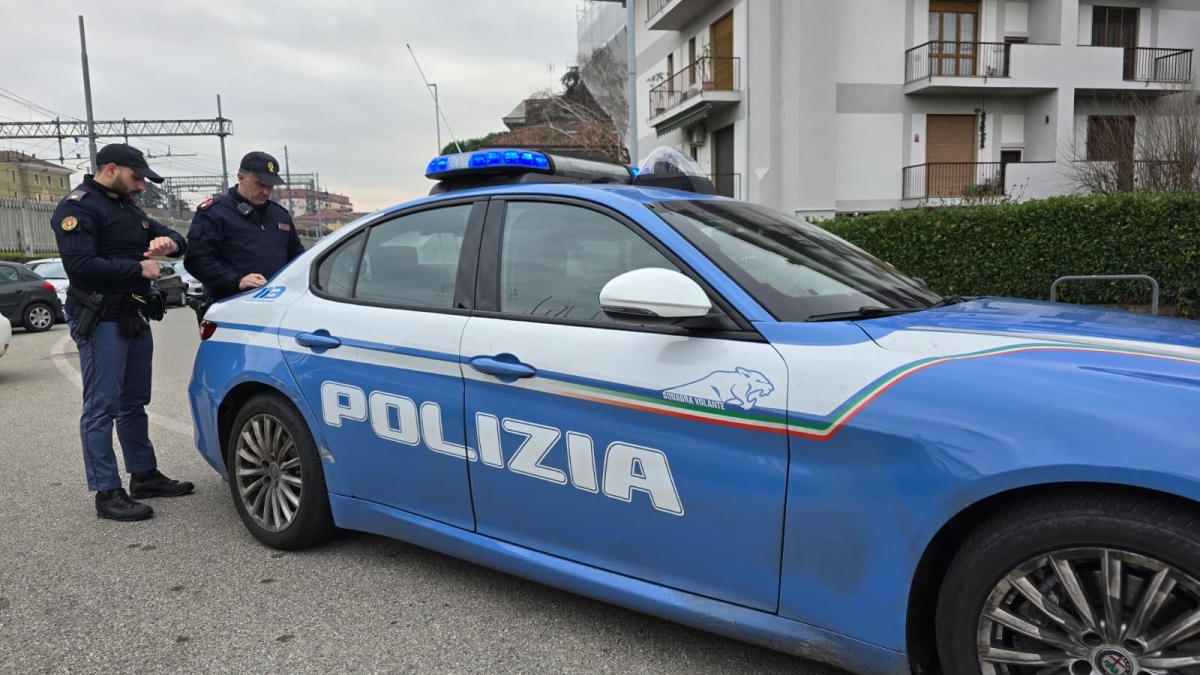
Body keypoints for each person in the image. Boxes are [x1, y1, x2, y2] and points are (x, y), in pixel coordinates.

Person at [50, 143, 195, 522]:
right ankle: (106, 491)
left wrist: (170, 244)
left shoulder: (129, 208)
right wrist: (137, 267)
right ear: (111, 169)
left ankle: (144, 475)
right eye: (136, 177)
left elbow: (178, 242)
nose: (141, 186)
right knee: (102, 406)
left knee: (134, 402)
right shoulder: (78, 207)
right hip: (101, 320)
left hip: (133, 316)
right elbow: (80, 265)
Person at [184, 151, 304, 318]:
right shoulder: (215, 212)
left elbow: (297, 260)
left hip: (276, 310)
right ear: (241, 178)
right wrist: (237, 281)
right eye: (260, 184)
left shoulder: (280, 215)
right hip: (231, 308)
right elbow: (197, 260)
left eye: (270, 186)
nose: (266, 192)